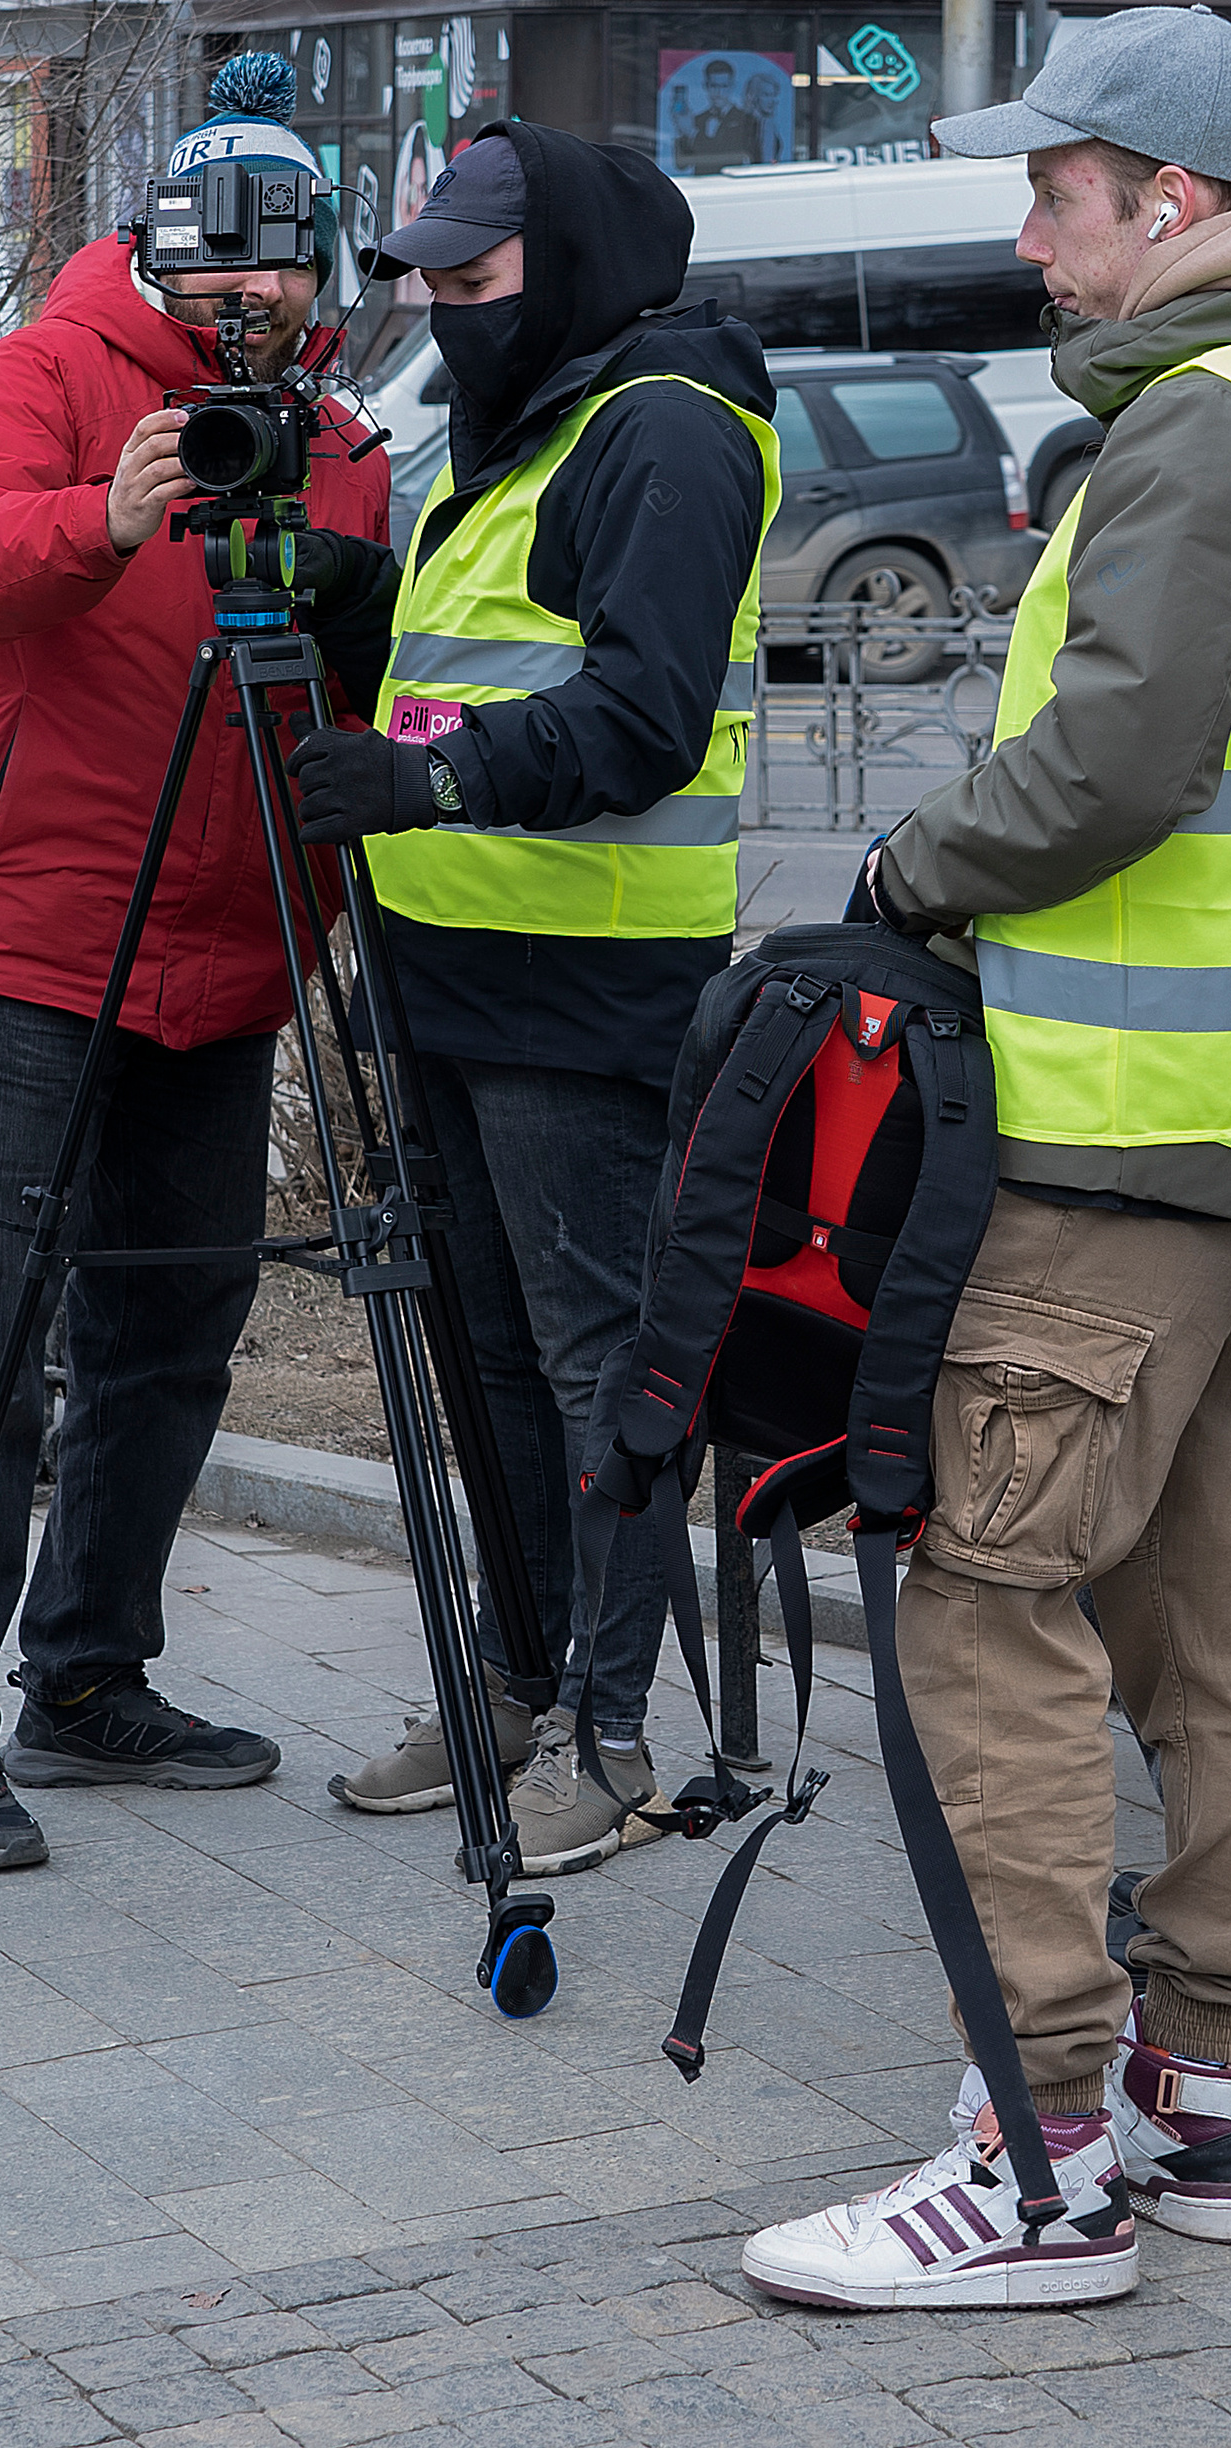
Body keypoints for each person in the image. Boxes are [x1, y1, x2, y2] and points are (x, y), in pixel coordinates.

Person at [743, 4, 1231, 2312]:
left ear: (1168, 199)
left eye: (1054, 190)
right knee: (1216, 1608)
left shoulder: (1195, 428)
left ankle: (1033, 2150)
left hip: (1125, 1128)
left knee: (985, 1592)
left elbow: (1117, 760)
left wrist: (903, 872)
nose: (1025, 233)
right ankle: (1199, 2105)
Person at [0, 56, 392, 1872]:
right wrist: (108, 511)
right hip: (32, 936)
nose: (247, 304)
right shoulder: (57, 368)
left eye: (281, 274)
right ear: (156, 261)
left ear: (325, 275)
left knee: (170, 1341)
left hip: (231, 954)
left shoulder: (342, 440)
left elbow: (353, 699)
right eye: (214, 274)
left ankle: (86, 1676)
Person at [291, 124, 780, 1872]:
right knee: (484, 1353)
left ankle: (621, 1735)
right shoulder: (531, 426)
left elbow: (642, 717)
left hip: (582, 990)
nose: (442, 310)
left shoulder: (663, 427)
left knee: (602, 1370)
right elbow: (469, 668)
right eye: (425, 280)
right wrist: (356, 597)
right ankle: (513, 1681)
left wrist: (423, 790)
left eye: (473, 282)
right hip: (446, 972)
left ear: (561, 270)